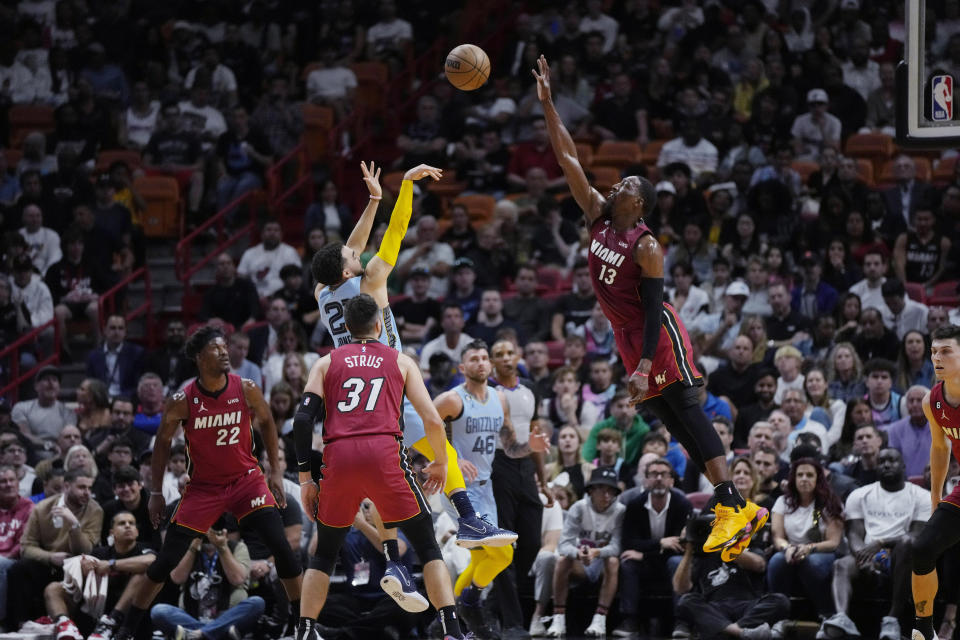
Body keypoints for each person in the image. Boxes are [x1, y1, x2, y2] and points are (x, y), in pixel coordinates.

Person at [533, 55, 764, 559]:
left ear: (639, 204)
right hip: (625, 334)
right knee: (672, 423)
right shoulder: (597, 215)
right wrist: (549, 105)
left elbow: (657, 306)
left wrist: (642, 365)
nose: (617, 186)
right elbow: (568, 158)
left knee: (686, 407)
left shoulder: (647, 245)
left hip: (658, 332)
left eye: (628, 186)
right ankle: (737, 506)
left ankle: (733, 506)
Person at [310, 163, 515, 604]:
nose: (356, 253)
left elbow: (349, 248)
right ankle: (468, 517)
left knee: (389, 482)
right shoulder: (373, 281)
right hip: (386, 385)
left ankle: (395, 564)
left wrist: (372, 200)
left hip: (352, 399)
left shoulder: (324, 293)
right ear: (350, 272)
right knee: (439, 448)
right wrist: (403, 188)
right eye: (353, 259)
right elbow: (395, 236)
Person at [291, 293, 468, 640]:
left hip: (339, 457)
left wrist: (305, 479)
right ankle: (451, 630)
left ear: (344, 326)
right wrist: (441, 462)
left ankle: (305, 631)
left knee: (325, 553)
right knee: (428, 545)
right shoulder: (400, 360)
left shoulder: (326, 363)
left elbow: (301, 420)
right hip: (383, 452)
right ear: (377, 325)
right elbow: (432, 419)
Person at [109, 326, 302, 640]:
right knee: (165, 562)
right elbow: (160, 446)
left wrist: (277, 473)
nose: (225, 352)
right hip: (203, 489)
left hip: (246, 481)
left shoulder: (247, 388)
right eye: (217, 348)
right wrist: (156, 492)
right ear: (200, 357)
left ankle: (300, 623)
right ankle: (127, 629)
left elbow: (267, 422)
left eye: (226, 347)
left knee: (282, 548)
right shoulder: (182, 400)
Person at [433, 339, 548, 637]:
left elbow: (509, 447)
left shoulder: (500, 399)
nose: (482, 363)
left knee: (498, 556)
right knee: (498, 554)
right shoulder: (452, 399)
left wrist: (529, 447)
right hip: (457, 487)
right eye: (474, 359)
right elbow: (423, 428)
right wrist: (453, 457)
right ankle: (465, 608)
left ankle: (453, 614)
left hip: (485, 487)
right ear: (462, 367)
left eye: (485, 358)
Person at [819, 448, 928, 640]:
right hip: (868, 554)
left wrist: (881, 543)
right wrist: (864, 557)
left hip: (902, 555)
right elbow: (854, 533)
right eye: (882, 461)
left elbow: (917, 535)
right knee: (841, 564)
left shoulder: (922, 496)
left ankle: (892, 619)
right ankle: (842, 618)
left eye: (892, 460)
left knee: (907, 542)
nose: (886, 464)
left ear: (903, 465)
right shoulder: (860, 494)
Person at [910, 325, 960, 640]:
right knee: (923, 547)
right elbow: (940, 449)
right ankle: (925, 631)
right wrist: (936, 500)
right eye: (933, 352)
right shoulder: (933, 401)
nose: (936, 359)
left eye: (946, 352)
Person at [6, 470, 103, 628]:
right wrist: (50, 557)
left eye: (89, 488)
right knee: (19, 569)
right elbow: (26, 546)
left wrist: (74, 524)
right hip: (49, 562)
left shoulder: (95, 510)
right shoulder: (43, 508)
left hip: (76, 565)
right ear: (66, 486)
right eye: (82, 487)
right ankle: (19, 625)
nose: (87, 493)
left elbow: (86, 549)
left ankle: (72, 626)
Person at [673, 511, 789, 640]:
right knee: (686, 601)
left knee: (780, 600)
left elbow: (759, 565)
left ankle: (724, 631)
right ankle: (741, 633)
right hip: (715, 608)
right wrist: (689, 550)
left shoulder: (747, 548)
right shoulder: (701, 556)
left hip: (747, 606)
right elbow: (680, 588)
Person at [44, 511, 156, 640]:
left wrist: (111, 565)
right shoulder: (100, 553)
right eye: (122, 523)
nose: (127, 526)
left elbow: (152, 562)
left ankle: (109, 623)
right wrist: (84, 572)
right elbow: (78, 576)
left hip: (128, 617)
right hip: (97, 613)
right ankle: (65, 625)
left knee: (144, 575)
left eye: (131, 523)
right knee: (53, 588)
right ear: (111, 533)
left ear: (137, 531)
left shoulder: (144, 550)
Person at [544, 466, 625, 637]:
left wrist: (596, 552)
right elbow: (564, 544)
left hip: (602, 565)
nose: (607, 496)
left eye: (611, 491)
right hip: (580, 563)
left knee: (613, 561)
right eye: (602, 490)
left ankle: (600, 620)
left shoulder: (620, 511)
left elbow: (617, 547)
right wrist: (578, 554)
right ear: (591, 490)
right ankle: (558, 619)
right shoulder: (579, 508)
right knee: (562, 560)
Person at [616, 458, 692, 637]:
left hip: (666, 562)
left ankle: (681, 621)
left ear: (672, 480)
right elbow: (628, 542)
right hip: (649, 563)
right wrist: (660, 543)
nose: (658, 478)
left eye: (664, 474)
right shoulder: (634, 505)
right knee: (627, 562)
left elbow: (680, 546)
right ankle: (630, 620)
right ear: (645, 480)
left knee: (677, 561)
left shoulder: (682, 505)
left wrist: (645, 554)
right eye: (653, 474)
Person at [150, 526, 263, 640]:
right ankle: (218, 633)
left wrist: (222, 547)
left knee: (257, 603)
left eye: (212, 529)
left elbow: (238, 579)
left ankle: (197, 635)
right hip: (192, 617)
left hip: (226, 615)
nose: (208, 534)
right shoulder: (187, 547)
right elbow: (177, 578)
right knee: (159, 611)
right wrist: (193, 547)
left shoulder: (237, 547)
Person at [767, 457, 843, 620]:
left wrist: (808, 549)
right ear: (793, 479)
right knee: (776, 561)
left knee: (811, 563)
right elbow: (777, 536)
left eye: (809, 475)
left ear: (818, 479)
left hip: (822, 552)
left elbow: (833, 543)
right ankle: (779, 617)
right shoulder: (783, 501)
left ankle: (827, 614)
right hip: (792, 549)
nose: (804, 479)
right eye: (800, 475)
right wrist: (787, 548)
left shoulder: (829, 502)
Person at [0, 465, 34, 623]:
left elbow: (25, 541)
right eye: (3, 481)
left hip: (14, 559)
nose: (8, 484)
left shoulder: (29, 508)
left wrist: (6, 556)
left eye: (11, 480)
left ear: (18, 484)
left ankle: (2, 621)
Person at [85, 314, 144, 399]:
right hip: (102, 400)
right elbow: (90, 383)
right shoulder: (94, 356)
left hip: (127, 399)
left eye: (120, 328)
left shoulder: (136, 353)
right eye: (113, 328)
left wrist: (121, 398)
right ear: (105, 330)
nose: (117, 332)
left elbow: (138, 385)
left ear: (125, 332)